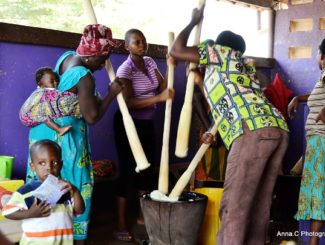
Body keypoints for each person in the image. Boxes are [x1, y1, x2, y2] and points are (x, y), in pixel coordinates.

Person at [170, 6, 289, 245]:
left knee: (233, 206)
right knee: (258, 207)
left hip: (252, 132)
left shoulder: (219, 52)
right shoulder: (240, 68)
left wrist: (193, 21)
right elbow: (226, 103)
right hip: (277, 129)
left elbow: (177, 49)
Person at [25, 24, 123, 244]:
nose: (103, 64)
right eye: (103, 58)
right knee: (75, 183)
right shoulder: (85, 76)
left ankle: (42, 234)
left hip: (42, 133)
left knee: (43, 182)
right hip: (64, 139)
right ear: (93, 56)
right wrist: (112, 94)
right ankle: (74, 237)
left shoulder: (67, 57)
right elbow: (92, 117)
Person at [113, 28, 174, 242]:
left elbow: (163, 87)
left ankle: (141, 217)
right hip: (128, 125)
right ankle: (120, 223)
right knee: (128, 171)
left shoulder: (148, 62)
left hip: (146, 124)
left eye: (143, 41)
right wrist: (159, 99)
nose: (142, 44)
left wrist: (170, 66)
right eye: (136, 42)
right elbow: (128, 103)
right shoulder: (125, 70)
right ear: (126, 46)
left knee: (146, 171)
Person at [3, 139, 85, 245]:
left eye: (54, 162)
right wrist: (30, 213)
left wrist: (76, 191)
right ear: (33, 166)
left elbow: (80, 211)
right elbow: (8, 213)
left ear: (60, 165)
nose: (49, 167)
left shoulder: (66, 189)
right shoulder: (26, 191)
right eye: (42, 163)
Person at [288, 37, 325, 245]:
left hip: (321, 142)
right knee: (317, 195)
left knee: (319, 195)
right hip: (317, 142)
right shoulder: (322, 78)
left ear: (322, 56)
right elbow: (316, 95)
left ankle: (312, 243)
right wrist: (298, 98)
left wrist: (324, 113)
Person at [19, 67, 81, 136]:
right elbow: (57, 96)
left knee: (45, 111)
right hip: (29, 116)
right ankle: (59, 130)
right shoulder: (43, 92)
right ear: (40, 84)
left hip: (27, 117)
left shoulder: (46, 91)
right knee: (44, 114)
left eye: (56, 80)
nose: (55, 82)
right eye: (51, 81)